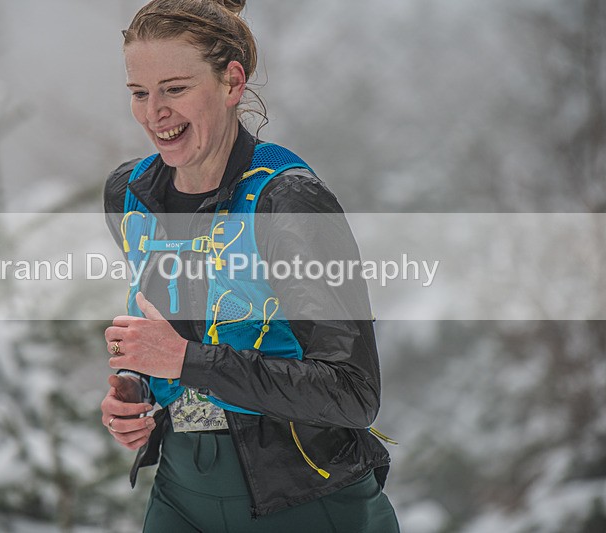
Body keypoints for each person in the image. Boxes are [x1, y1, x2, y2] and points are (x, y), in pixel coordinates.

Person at [100, 0, 400, 530]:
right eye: (139, 93)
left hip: (306, 502)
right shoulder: (131, 194)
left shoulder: (288, 203)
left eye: (175, 88)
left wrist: (184, 361)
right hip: (181, 495)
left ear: (232, 82)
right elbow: (179, 334)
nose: (154, 113)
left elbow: (353, 393)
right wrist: (137, 388)